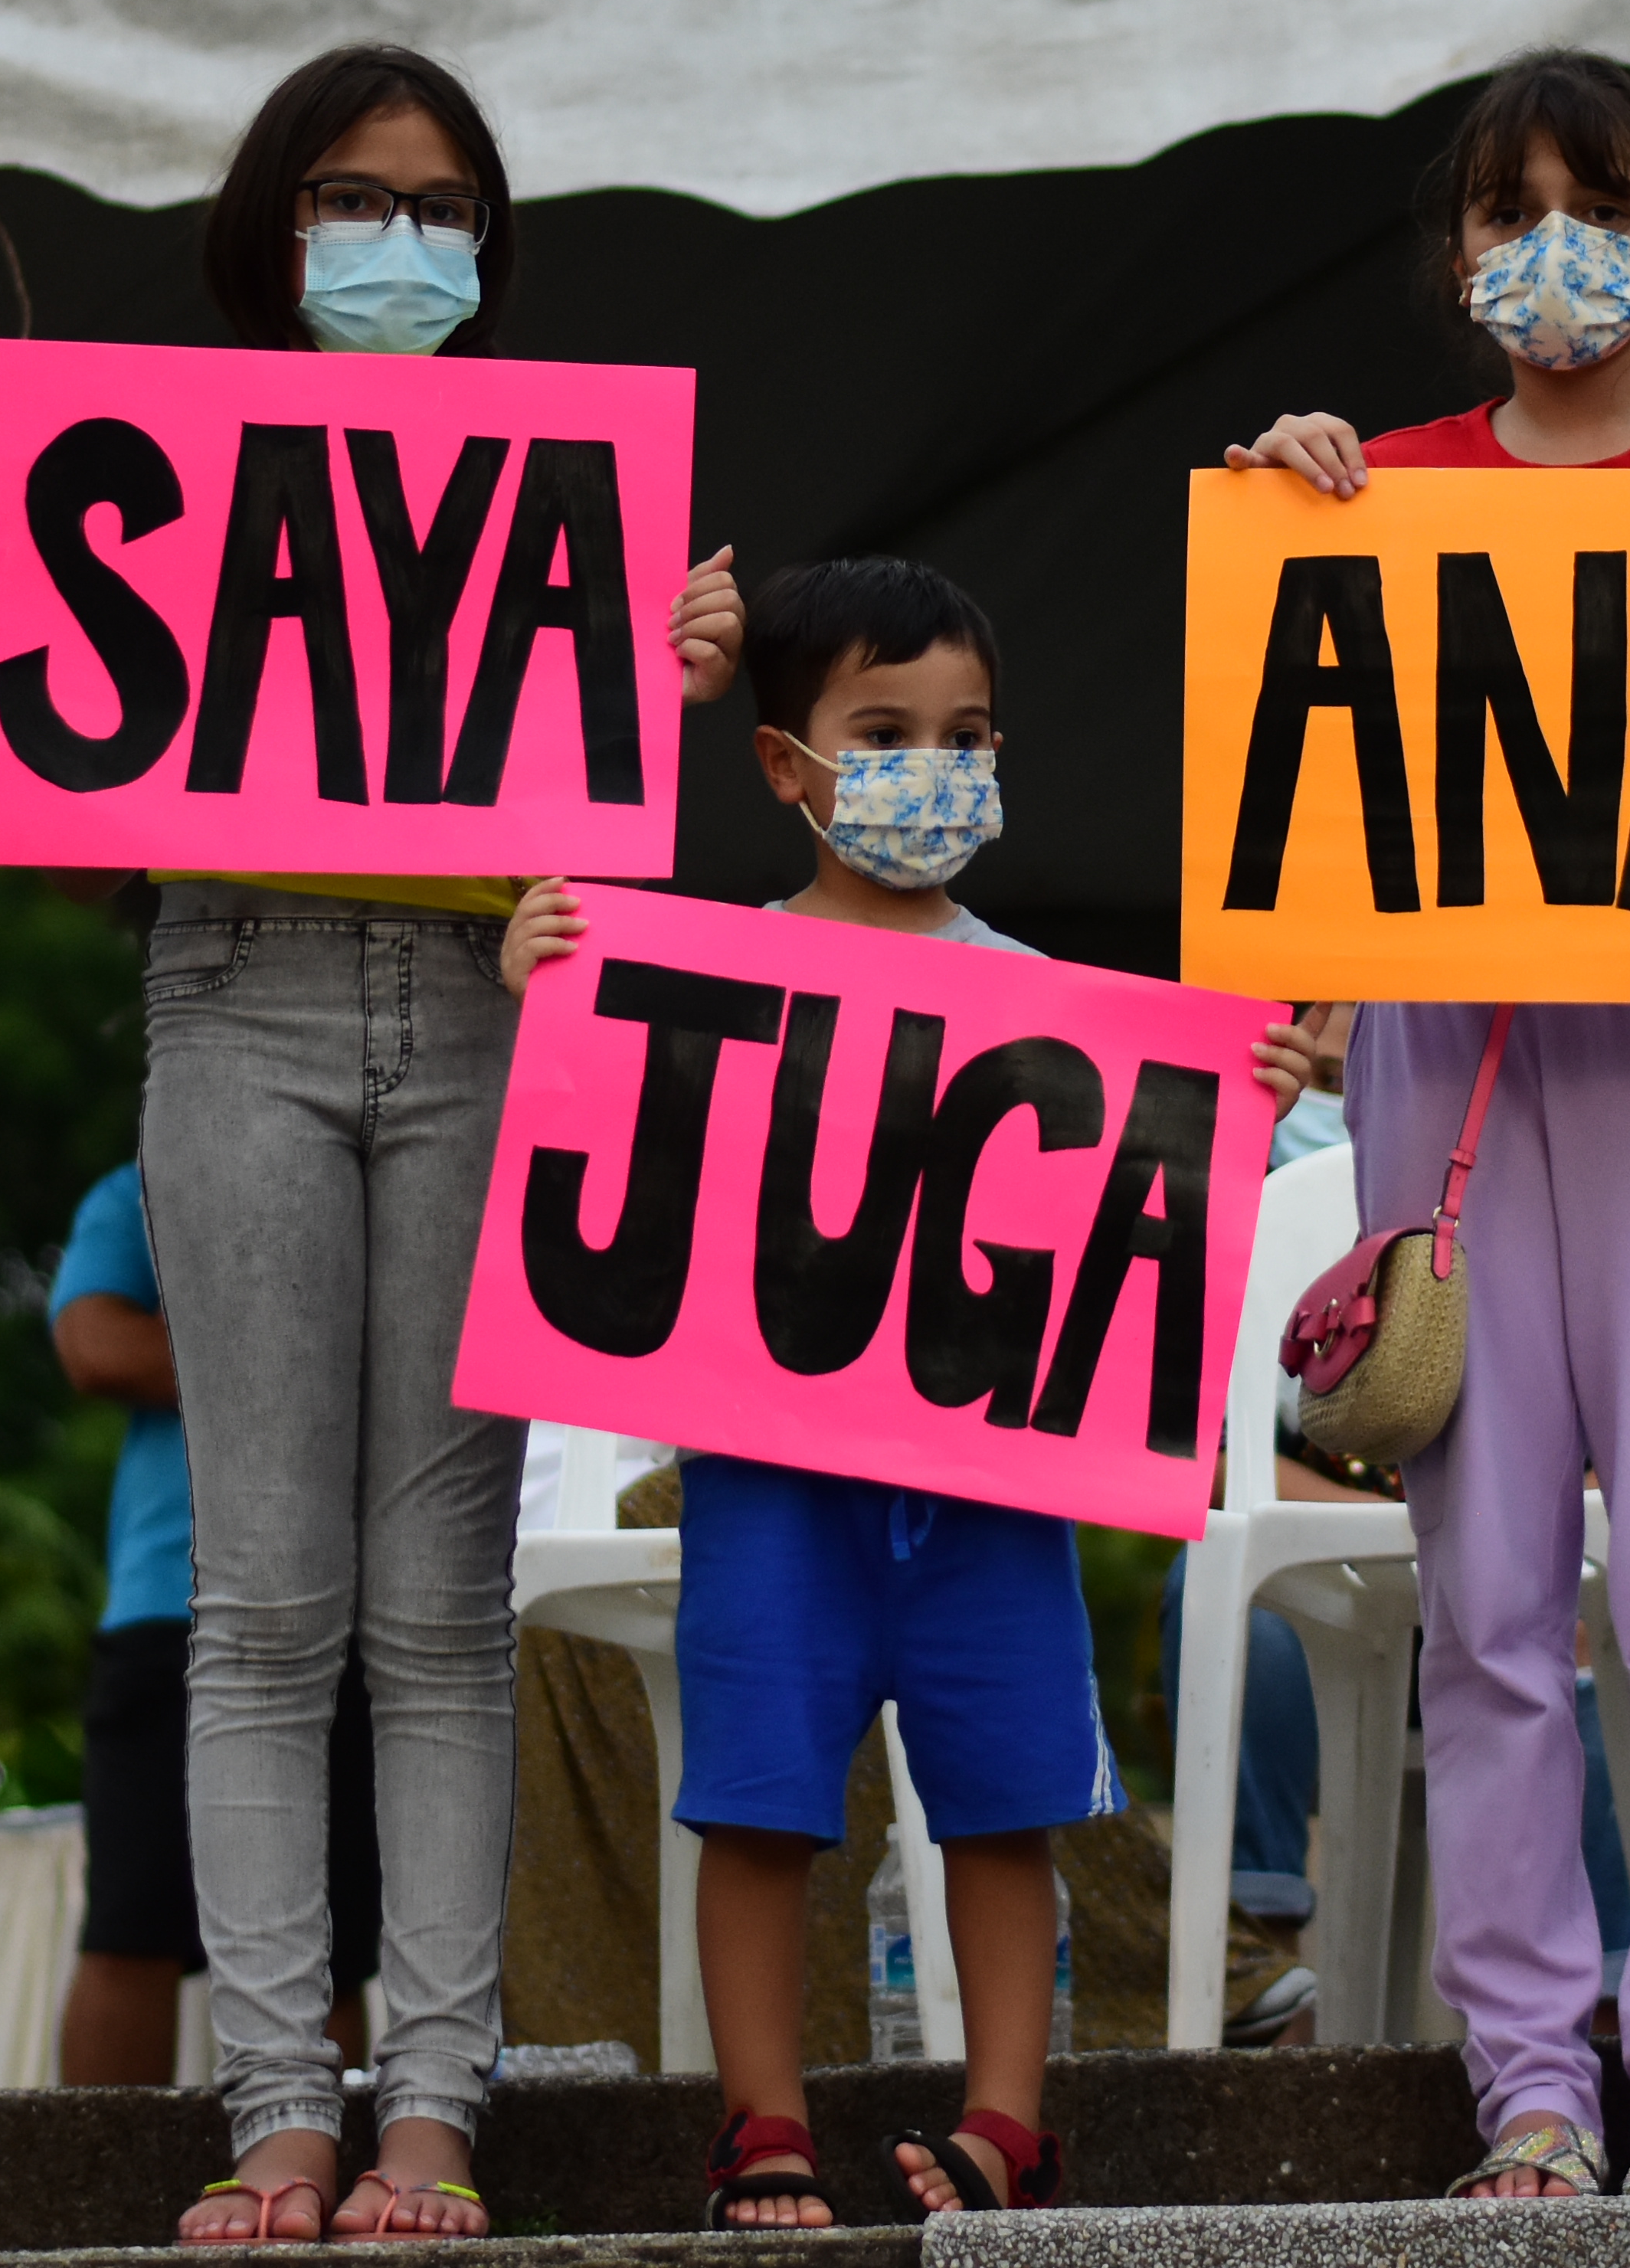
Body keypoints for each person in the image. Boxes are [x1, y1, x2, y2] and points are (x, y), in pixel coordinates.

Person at [0, 45, 743, 2243]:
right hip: (234, 996)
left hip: (483, 1018)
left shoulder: (566, 495)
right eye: (358, 197)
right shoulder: (157, 469)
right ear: (273, 224)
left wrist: (678, 677)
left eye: (447, 206)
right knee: (265, 1609)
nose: (404, 240)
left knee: (442, 1611)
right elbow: (71, 754)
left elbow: (604, 838)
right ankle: (281, 2107)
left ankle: (431, 2111)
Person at [1220, 50, 1630, 2201]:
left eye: (1596, 202)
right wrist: (1285, 506)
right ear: (1459, 258)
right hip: (1452, 1059)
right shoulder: (1369, 489)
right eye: (1508, 211)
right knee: (1486, 1591)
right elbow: (1288, 821)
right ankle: (1525, 2076)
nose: (1551, 245)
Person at [514, 558, 1309, 2226]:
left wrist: (1253, 1091)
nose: (929, 762)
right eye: (883, 729)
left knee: (1011, 1804)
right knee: (756, 1805)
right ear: (784, 762)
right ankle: (763, 2124)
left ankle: (1007, 2123)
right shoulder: (698, 977)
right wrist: (548, 985)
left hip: (994, 1498)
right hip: (768, 1489)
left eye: (963, 732)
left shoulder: (1069, 1011)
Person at [44, 1160, 380, 2090]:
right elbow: (93, 1344)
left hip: (352, 1607)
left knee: (332, 1938)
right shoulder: (139, 1190)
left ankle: (326, 2181)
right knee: (135, 1923)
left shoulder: (390, 1178)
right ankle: (94, 2203)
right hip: (174, 1606)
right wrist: (308, 1347)